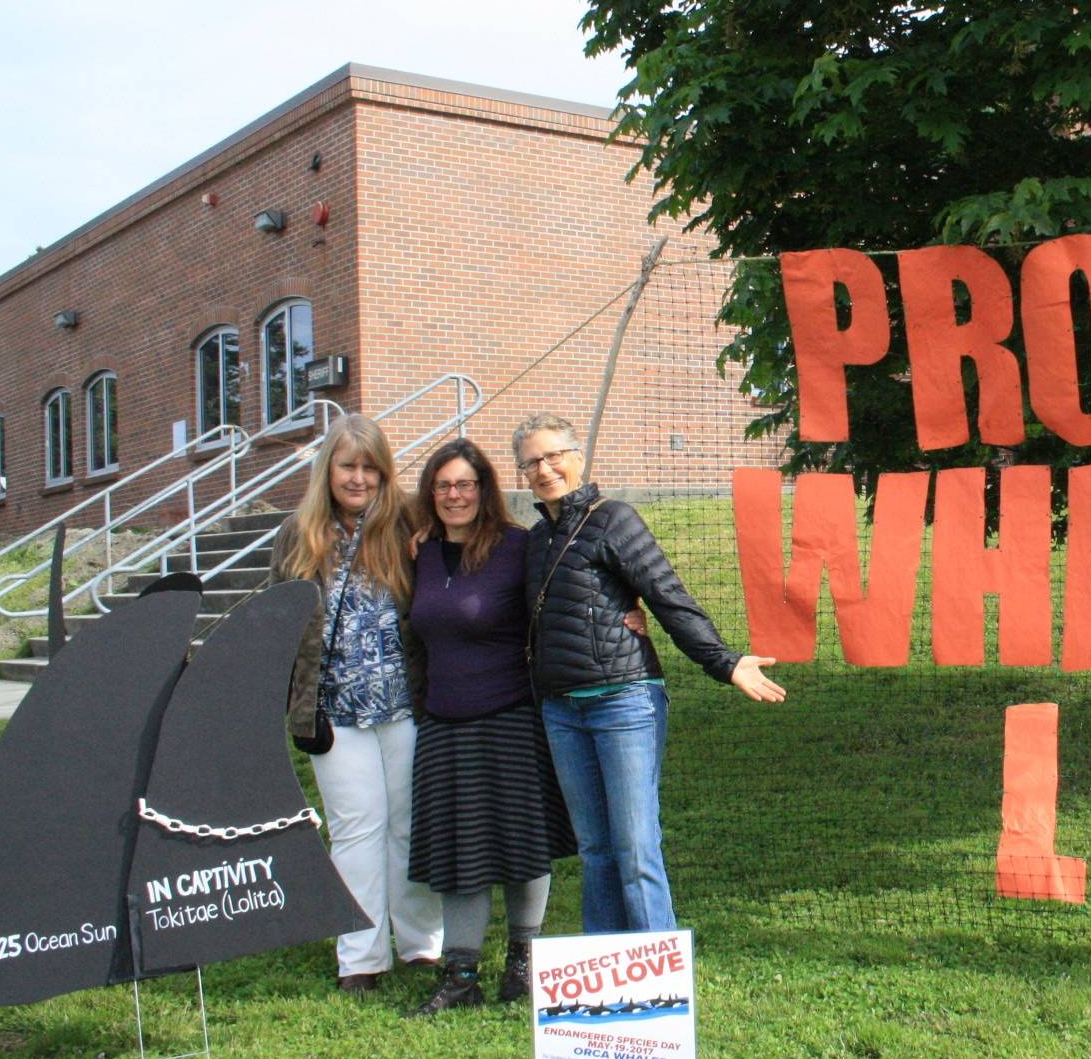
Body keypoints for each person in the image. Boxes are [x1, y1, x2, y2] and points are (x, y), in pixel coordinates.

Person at [514, 412, 786, 934]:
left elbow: (667, 596)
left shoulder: (614, 518)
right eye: (532, 462)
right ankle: (608, 970)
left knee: (636, 847)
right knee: (596, 849)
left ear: (577, 458)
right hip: (561, 711)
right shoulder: (534, 542)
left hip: (624, 701)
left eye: (553, 456)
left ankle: (658, 976)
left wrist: (724, 662)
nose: (545, 469)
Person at [403, 437, 581, 1014]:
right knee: (461, 852)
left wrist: (625, 614)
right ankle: (460, 976)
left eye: (466, 484)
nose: (455, 495)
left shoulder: (517, 548)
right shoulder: (421, 553)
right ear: (432, 494)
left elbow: (565, 597)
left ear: (485, 490)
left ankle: (523, 966)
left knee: (522, 847)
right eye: (444, 485)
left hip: (510, 718)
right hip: (443, 724)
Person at [272, 414, 442, 992]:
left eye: (371, 467)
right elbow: (280, 628)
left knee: (408, 825)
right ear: (329, 469)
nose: (360, 478)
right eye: (349, 465)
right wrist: (296, 708)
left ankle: (421, 944)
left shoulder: (410, 525)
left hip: (405, 706)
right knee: (355, 829)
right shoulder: (299, 535)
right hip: (335, 715)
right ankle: (361, 956)